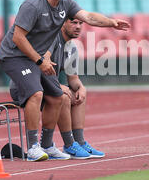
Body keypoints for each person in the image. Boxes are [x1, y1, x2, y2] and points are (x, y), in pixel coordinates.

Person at [0, 0, 129, 162]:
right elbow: (17, 38)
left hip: (35, 58)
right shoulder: (32, 5)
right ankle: (33, 147)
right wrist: (40, 60)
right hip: (15, 56)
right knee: (36, 93)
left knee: (58, 97)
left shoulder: (66, 4)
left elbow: (89, 17)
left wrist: (111, 22)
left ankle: (48, 146)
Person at [10, 18, 103, 160]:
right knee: (62, 96)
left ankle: (79, 142)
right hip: (25, 85)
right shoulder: (50, 41)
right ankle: (67, 144)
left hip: (47, 87)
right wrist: (58, 86)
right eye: (73, 22)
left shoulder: (72, 48)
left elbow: (73, 79)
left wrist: (81, 87)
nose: (78, 27)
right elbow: (38, 67)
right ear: (62, 24)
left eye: (80, 23)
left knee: (78, 95)